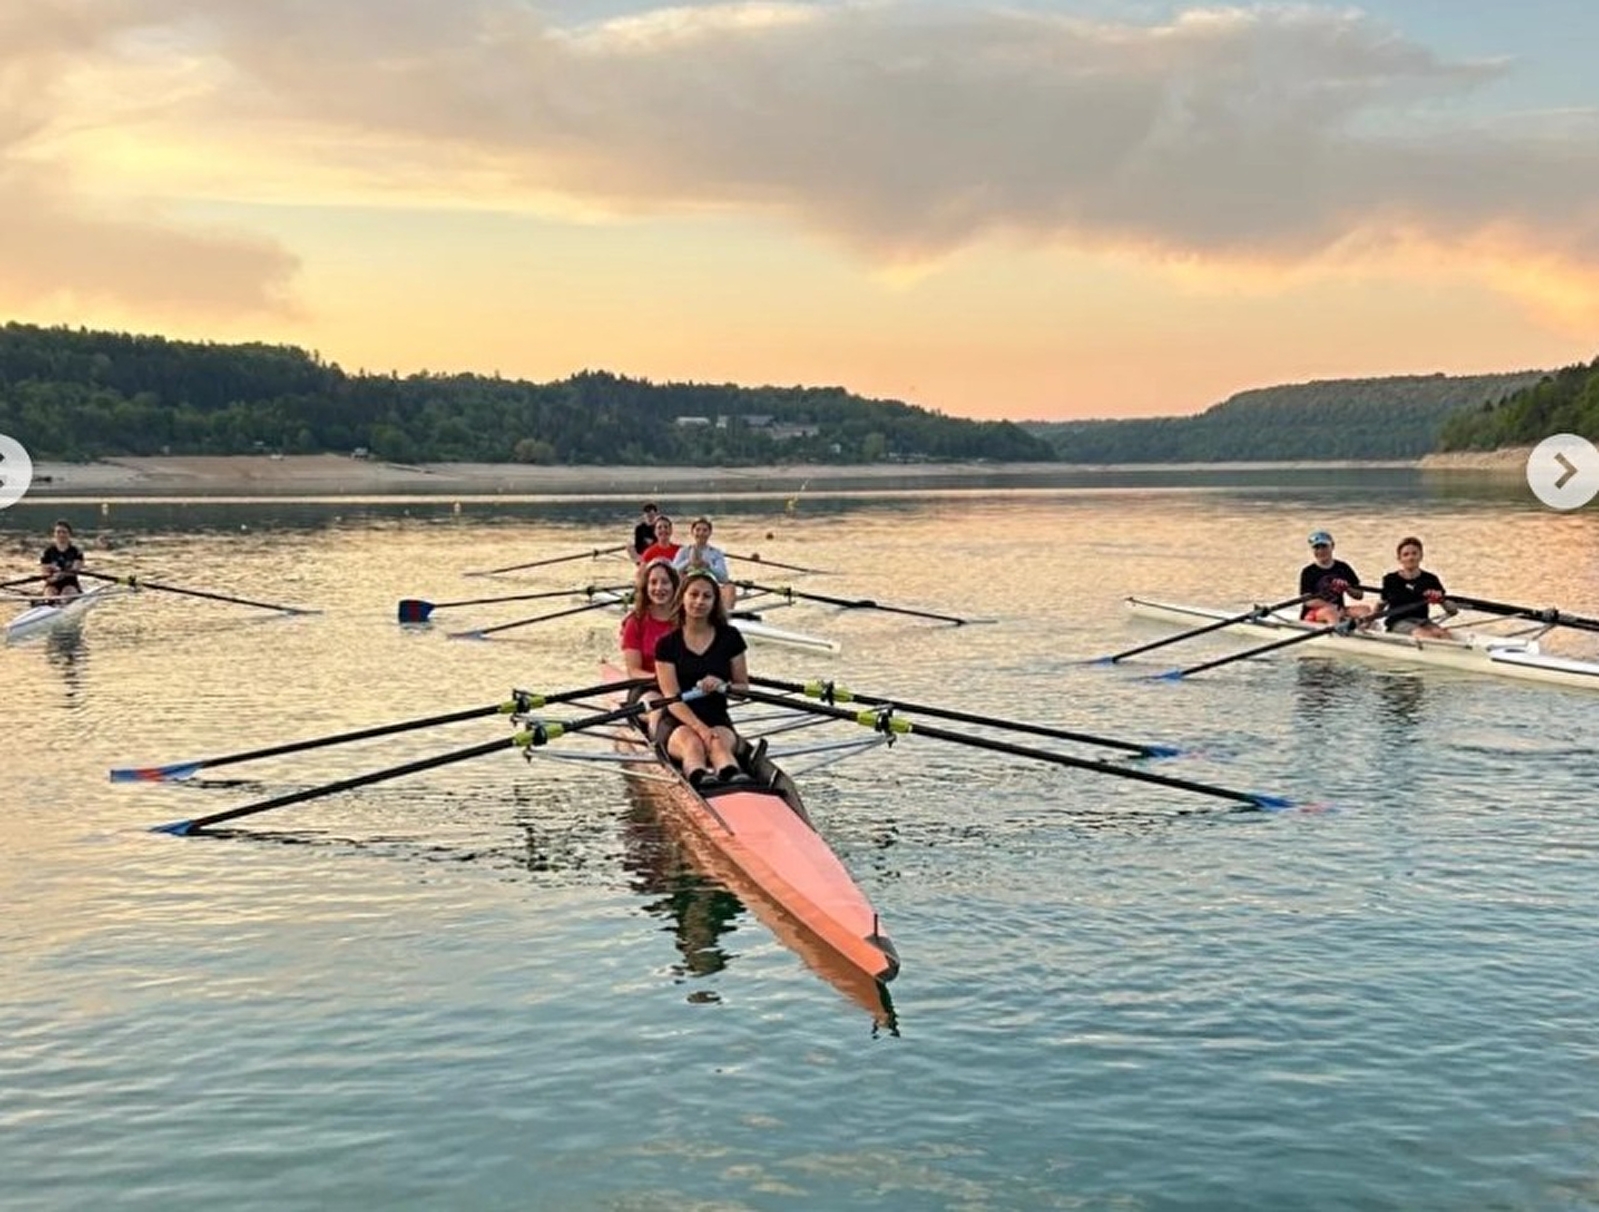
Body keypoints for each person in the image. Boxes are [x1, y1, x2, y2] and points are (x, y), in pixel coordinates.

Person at [652, 568, 752, 789]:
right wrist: (700, 728)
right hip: (677, 718)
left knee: (718, 745)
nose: (699, 601)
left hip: (717, 716)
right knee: (693, 745)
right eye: (694, 594)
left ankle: (734, 778)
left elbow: (743, 689)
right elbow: (671, 698)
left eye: (707, 596)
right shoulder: (666, 645)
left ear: (715, 602)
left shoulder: (730, 638)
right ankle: (699, 779)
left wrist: (724, 686)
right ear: (682, 598)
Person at [620, 559, 682, 734]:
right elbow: (633, 671)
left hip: (682, 686)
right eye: (653, 582)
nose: (659, 588)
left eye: (665, 582)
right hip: (647, 686)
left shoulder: (687, 620)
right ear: (646, 588)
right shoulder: (635, 621)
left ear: (675, 586)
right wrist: (661, 678)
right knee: (657, 707)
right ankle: (655, 737)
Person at [1380, 536, 1458, 639]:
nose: (1410, 558)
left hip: (1423, 621)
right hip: (1398, 622)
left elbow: (1453, 611)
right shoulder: (1391, 579)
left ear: (1421, 556)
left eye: (1414, 553)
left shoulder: (1430, 579)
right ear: (1400, 559)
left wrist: (1441, 600)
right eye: (1406, 555)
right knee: (1424, 635)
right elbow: (1382, 603)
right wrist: (1367, 621)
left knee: (1444, 635)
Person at [1298, 530, 1371, 625]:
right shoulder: (1308, 572)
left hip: (1339, 609)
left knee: (1365, 610)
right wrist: (1332, 606)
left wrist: (1347, 588)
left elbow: (1359, 595)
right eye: (1316, 548)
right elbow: (1308, 601)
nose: (1320, 551)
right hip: (1315, 612)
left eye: (1324, 546)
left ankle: (1364, 632)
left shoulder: (1343, 567)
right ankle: (1338, 632)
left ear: (1332, 546)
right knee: (1331, 612)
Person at [671, 516, 738, 611]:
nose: (701, 533)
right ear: (692, 532)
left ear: (709, 533)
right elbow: (672, 572)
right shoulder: (684, 551)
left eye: (704, 530)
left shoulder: (716, 553)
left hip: (710, 585)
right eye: (698, 530)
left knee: (730, 587)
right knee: (680, 578)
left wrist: (708, 566)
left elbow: (724, 578)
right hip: (689, 584)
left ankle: (726, 615)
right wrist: (689, 562)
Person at [39, 520, 84, 602]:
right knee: (49, 597)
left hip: (70, 583)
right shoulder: (47, 552)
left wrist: (62, 574)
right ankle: (49, 604)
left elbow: (75, 570)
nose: (61, 535)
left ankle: (64, 603)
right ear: (54, 534)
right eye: (58, 532)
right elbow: (44, 573)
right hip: (52, 583)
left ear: (69, 534)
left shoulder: (76, 551)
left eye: (64, 532)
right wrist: (52, 577)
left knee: (65, 596)